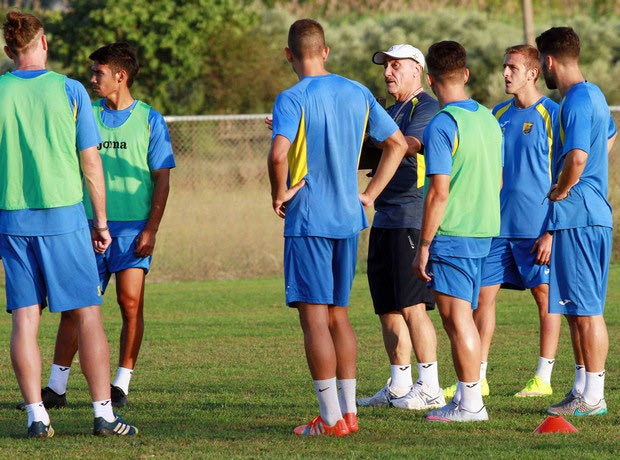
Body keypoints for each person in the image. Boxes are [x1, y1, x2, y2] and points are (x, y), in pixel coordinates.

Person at [0, 11, 137, 437]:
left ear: (7, 50)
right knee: (88, 313)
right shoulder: (70, 89)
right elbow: (91, 164)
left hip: (12, 219)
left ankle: (36, 417)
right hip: (64, 217)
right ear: (43, 42)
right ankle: (103, 415)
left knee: (25, 320)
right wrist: (101, 223)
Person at [268, 19, 407, 436]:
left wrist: (278, 192)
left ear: (289, 55)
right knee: (338, 316)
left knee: (314, 319)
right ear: (325, 51)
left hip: (309, 219)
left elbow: (278, 155)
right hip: (348, 218)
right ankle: (349, 414)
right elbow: (397, 143)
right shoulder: (357, 91)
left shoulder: (292, 98)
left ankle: (329, 420)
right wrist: (370, 194)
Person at [25, 42, 175, 410]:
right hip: (87, 227)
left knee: (129, 303)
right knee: (76, 306)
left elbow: (162, 178)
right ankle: (56, 387)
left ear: (120, 76)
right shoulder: (85, 112)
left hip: (133, 229)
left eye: (99, 72)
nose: (92, 79)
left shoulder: (150, 119)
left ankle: (121, 383)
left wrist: (151, 229)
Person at [443, 44, 561, 400]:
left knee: (545, 298)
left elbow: (569, 171)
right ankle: (478, 377)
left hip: (537, 228)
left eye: (513, 67)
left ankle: (542, 378)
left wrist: (552, 230)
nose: (505, 73)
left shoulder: (552, 113)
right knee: (483, 297)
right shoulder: (497, 114)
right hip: (495, 227)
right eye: (504, 66)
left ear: (533, 73)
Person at [413, 40, 503, 422]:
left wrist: (424, 244)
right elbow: (498, 180)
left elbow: (438, 192)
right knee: (464, 315)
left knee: (457, 318)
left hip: (454, 233)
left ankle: (469, 404)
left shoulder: (442, 124)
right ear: (465, 74)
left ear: (430, 80)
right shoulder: (488, 119)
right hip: (486, 231)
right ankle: (468, 399)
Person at [357, 44, 443, 410]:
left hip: (411, 216)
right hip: (385, 217)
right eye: (386, 66)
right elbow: (364, 151)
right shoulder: (391, 111)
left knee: (412, 306)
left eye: (396, 66)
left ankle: (431, 386)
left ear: (417, 71)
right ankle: (399, 383)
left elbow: (407, 144)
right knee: (388, 307)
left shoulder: (426, 107)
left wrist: (382, 140)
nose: (387, 72)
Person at [536, 27, 616, 416]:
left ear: (550, 61)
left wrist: (563, 188)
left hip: (580, 216)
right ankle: (582, 387)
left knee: (586, 310)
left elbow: (579, 157)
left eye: (540, 62)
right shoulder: (594, 94)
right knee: (576, 308)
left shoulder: (576, 101)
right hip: (589, 214)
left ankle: (594, 396)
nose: (541, 70)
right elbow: (610, 138)